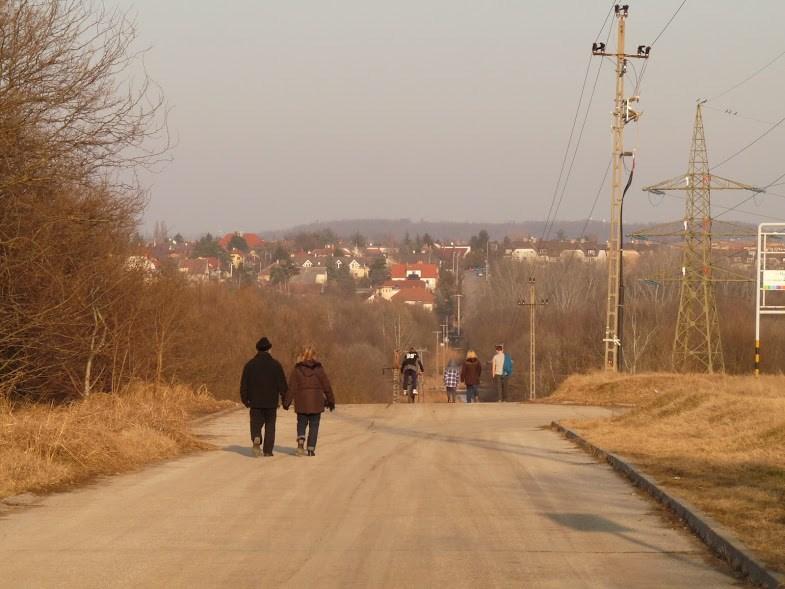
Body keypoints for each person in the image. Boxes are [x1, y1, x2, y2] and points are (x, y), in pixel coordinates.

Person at [283, 346, 335, 457]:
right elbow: (327, 386)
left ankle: (301, 440)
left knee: (301, 423)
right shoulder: (319, 369)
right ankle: (311, 449)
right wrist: (331, 401)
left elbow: (291, 387)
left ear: (302, 356)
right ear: (314, 356)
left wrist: (286, 402)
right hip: (316, 402)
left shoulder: (297, 370)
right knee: (314, 425)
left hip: (301, 402)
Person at [240, 337, 288, 457]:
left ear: (257, 350)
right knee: (270, 426)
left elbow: (244, 384)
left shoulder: (250, 365)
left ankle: (256, 437)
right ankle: (268, 450)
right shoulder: (276, 365)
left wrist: (245, 400)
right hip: (271, 402)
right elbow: (282, 384)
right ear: (269, 349)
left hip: (255, 401)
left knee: (255, 423)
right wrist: (285, 398)